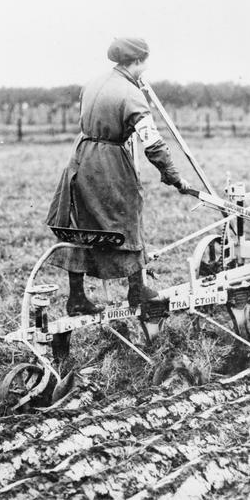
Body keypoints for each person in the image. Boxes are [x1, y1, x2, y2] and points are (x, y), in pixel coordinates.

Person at [46, 37, 190, 315]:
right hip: (108, 163)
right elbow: (153, 142)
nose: (146, 67)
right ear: (137, 61)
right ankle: (137, 289)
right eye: (145, 62)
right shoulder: (131, 94)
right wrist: (172, 175)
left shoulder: (92, 84)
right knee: (127, 216)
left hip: (80, 157)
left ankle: (76, 298)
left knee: (79, 223)